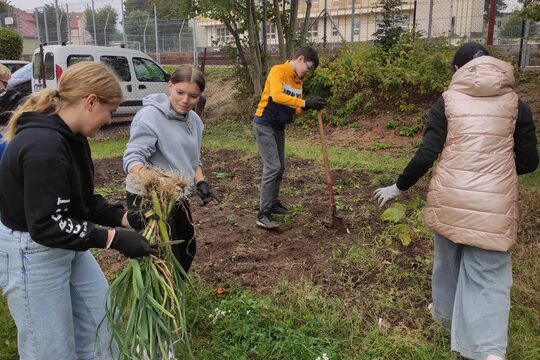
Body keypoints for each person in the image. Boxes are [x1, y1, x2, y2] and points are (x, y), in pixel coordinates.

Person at [373, 42, 538, 360]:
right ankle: (488, 351)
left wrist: (399, 186)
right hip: (494, 206)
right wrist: (495, 172)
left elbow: (427, 153)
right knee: (488, 274)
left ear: (456, 71)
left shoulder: (446, 102)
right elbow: (529, 162)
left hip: (450, 196)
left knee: (447, 262)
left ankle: (445, 317)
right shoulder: (518, 105)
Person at [0, 61, 157, 360]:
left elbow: (80, 203)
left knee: (103, 323)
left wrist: (124, 218)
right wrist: (114, 239)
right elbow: (46, 224)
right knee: (51, 350)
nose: (109, 120)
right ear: (90, 101)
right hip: (31, 251)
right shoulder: (43, 147)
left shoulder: (73, 138)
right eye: (109, 111)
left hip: (66, 240)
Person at [123, 64, 219, 274]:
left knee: (186, 248)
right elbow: (133, 157)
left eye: (193, 96)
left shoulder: (195, 121)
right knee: (162, 256)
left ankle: (175, 294)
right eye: (180, 92)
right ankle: (159, 304)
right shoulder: (149, 116)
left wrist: (200, 181)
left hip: (177, 196)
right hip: (150, 198)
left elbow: (193, 159)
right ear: (170, 86)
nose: (185, 101)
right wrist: (152, 181)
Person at [253, 46, 327, 229]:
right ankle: (263, 214)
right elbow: (277, 96)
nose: (307, 73)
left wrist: (307, 107)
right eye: (308, 68)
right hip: (264, 123)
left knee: (281, 167)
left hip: (279, 126)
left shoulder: (298, 81)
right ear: (300, 59)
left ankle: (274, 203)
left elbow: (293, 109)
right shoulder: (278, 71)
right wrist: (304, 101)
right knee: (273, 167)